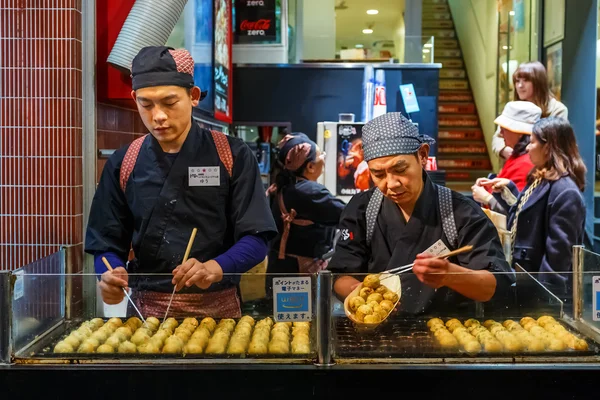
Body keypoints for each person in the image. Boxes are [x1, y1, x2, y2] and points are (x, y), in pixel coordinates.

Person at [85, 46, 277, 318]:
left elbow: (257, 239)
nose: (158, 116)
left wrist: (217, 266)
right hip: (145, 312)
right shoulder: (124, 161)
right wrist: (109, 274)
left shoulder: (232, 155)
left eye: (170, 102)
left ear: (193, 96)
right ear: (134, 98)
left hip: (218, 309)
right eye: (146, 104)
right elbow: (105, 243)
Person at [328, 112, 513, 315]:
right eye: (378, 174)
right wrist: (362, 295)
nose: (391, 184)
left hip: (446, 333)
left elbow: (495, 286)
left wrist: (451, 274)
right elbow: (340, 275)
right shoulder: (362, 209)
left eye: (400, 169)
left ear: (423, 155)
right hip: (377, 332)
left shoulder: (461, 212)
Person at [481, 117, 586, 298]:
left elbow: (557, 260)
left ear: (548, 147)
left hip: (544, 297)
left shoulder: (565, 192)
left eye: (532, 142)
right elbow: (523, 215)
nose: (527, 148)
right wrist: (509, 189)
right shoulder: (538, 179)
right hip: (527, 284)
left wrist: (543, 301)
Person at [266, 133, 346, 276]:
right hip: (299, 271)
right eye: (321, 154)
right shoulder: (310, 192)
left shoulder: (282, 186)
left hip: (279, 266)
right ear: (310, 166)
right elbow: (346, 214)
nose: (324, 157)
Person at [492, 61, 568, 162]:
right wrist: (504, 150)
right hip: (514, 165)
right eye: (517, 81)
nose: (519, 86)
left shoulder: (557, 109)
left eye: (525, 81)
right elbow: (498, 136)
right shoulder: (514, 107)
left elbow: (555, 145)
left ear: (538, 82)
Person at [472, 101, 539, 213]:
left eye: (505, 128)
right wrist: (489, 186)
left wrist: (486, 198)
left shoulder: (525, 163)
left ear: (520, 132)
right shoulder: (516, 157)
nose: (501, 133)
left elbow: (515, 211)